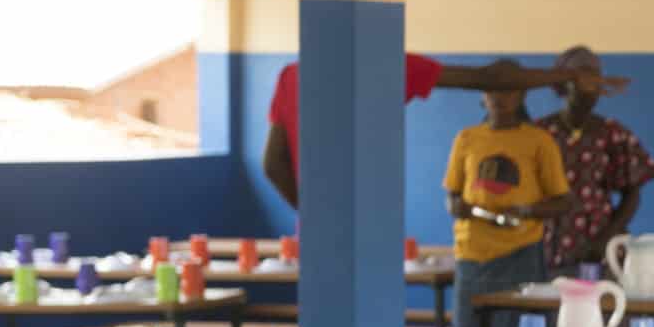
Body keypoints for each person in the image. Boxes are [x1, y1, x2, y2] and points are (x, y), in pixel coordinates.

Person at [262, 54, 626, 209]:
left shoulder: (293, 75)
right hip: (367, 219)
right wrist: (568, 76)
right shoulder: (387, 64)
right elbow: (490, 77)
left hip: (321, 228)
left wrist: (309, 216)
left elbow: (273, 163)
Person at [443, 64, 572, 327]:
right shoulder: (467, 138)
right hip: (471, 254)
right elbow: (453, 194)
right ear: (482, 97)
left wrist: (527, 211)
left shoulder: (538, 141)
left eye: (509, 90)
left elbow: (563, 201)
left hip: (520, 253)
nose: (500, 98)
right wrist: (458, 206)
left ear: (522, 95)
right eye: (493, 90)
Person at [537, 46, 654, 274]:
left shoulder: (612, 133)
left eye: (594, 82)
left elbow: (631, 193)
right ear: (563, 86)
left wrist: (606, 237)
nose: (588, 90)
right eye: (579, 81)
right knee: (552, 307)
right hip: (548, 245)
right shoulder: (541, 133)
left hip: (600, 244)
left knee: (604, 305)